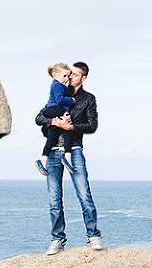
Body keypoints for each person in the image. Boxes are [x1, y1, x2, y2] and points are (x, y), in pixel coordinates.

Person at [35, 61, 104, 254]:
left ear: (83, 78)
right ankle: (58, 239)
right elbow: (39, 118)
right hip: (54, 152)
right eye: (68, 74)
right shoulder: (59, 93)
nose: (70, 77)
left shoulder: (88, 99)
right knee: (54, 199)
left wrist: (70, 127)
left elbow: (92, 126)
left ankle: (93, 236)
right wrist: (54, 121)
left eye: (74, 74)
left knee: (84, 195)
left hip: (73, 150)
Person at [36, 63, 76, 176]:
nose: (67, 79)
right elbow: (59, 99)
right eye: (64, 76)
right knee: (68, 128)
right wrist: (72, 101)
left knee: (51, 138)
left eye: (68, 76)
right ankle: (67, 157)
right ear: (55, 75)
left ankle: (43, 161)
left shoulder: (60, 86)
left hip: (54, 111)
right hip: (54, 110)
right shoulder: (58, 85)